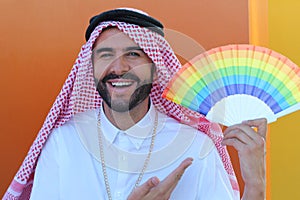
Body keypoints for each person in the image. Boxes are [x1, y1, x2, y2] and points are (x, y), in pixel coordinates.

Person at [3, 8, 266, 200]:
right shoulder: (63, 142)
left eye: (133, 54)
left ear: (155, 68)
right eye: (106, 55)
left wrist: (255, 185)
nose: (118, 67)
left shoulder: (196, 147)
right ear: (91, 68)